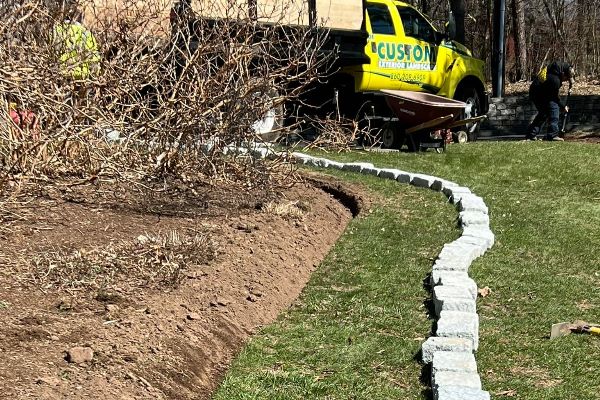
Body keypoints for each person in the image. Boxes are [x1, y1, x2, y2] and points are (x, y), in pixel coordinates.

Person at [525, 61, 575, 141]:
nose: (566, 80)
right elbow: (554, 97)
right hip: (538, 93)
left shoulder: (560, 67)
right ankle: (552, 135)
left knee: (543, 113)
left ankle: (531, 135)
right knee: (554, 110)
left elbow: (569, 75)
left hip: (537, 91)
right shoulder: (554, 79)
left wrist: (571, 84)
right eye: (566, 78)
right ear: (562, 74)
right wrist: (563, 106)